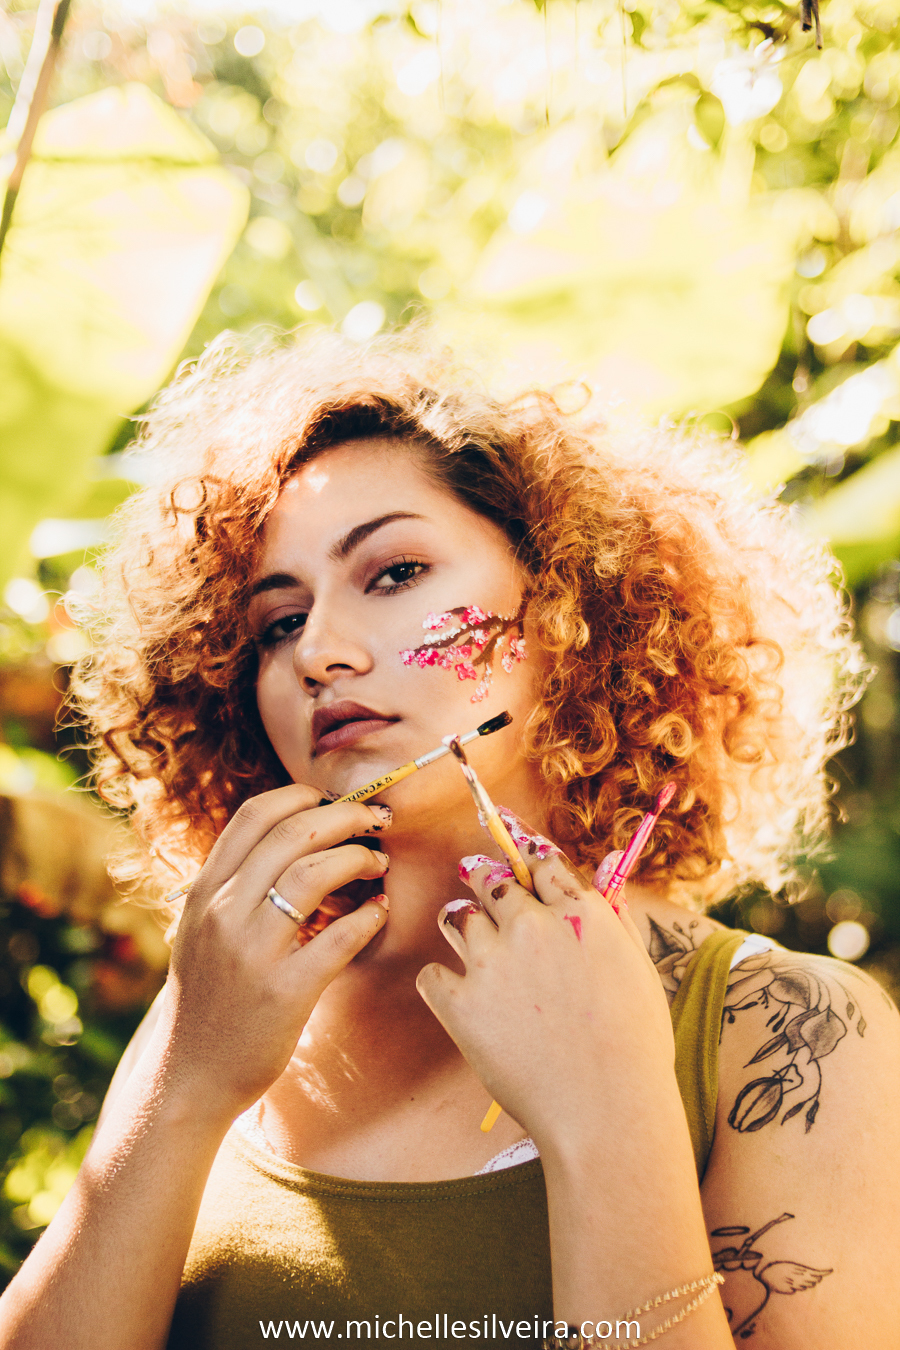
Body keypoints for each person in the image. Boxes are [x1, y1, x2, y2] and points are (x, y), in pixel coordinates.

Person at [1, 330, 898, 1350]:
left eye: (394, 573)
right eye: (276, 625)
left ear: (568, 605)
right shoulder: (218, 1013)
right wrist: (186, 1088)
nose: (321, 655)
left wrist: (607, 1119)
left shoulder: (786, 1033)